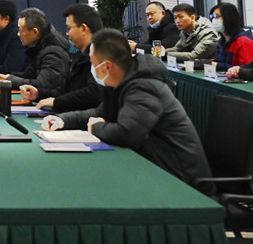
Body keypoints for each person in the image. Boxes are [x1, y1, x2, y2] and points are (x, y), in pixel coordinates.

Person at [42, 29, 212, 190]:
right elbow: (101, 113)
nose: (92, 69)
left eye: (93, 64)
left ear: (107, 66)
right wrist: (63, 120)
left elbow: (127, 133)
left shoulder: (144, 87)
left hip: (180, 181)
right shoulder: (120, 83)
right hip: (154, 169)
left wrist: (96, 127)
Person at [22, 4, 104, 112]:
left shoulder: (100, 56)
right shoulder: (79, 57)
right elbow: (68, 91)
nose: (67, 33)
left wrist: (57, 102)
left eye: (69, 28)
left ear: (84, 28)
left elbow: (93, 92)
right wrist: (38, 94)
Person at [0, 7, 70, 99]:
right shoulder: (37, 47)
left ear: (35, 32)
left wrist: (11, 80)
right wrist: (9, 77)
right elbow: (30, 74)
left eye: (21, 30)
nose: (18, 34)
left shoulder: (53, 53)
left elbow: (41, 85)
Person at [209, 3, 253, 71]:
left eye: (217, 16)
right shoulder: (221, 42)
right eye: (212, 17)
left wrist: (218, 66)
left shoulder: (244, 42)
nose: (214, 20)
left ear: (229, 18)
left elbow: (249, 70)